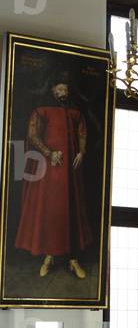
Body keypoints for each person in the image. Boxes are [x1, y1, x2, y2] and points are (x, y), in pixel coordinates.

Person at [14, 71, 91, 279]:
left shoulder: (75, 112)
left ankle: (72, 260)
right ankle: (49, 257)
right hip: (50, 170)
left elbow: (82, 131)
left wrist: (81, 152)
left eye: (66, 89)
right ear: (53, 90)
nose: (63, 92)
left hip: (71, 171)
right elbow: (33, 135)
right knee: (50, 211)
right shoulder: (41, 110)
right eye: (60, 88)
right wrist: (49, 153)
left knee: (71, 210)